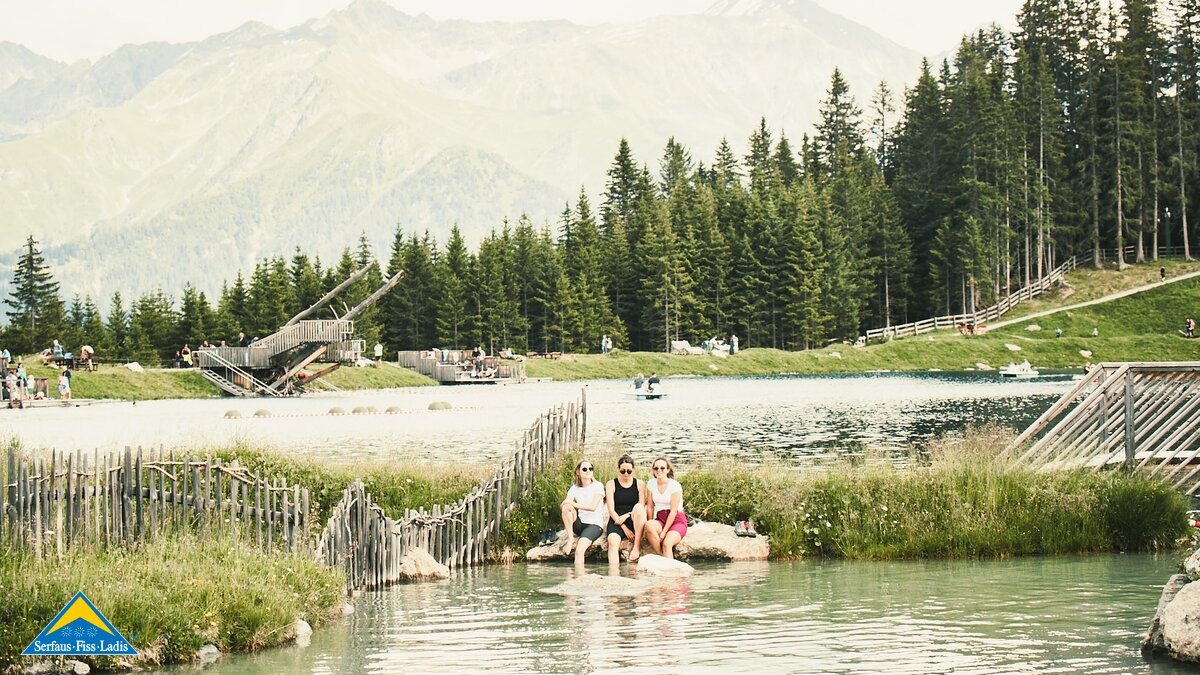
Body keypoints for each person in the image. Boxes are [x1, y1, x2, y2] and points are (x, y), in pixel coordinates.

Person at [561, 459, 606, 566]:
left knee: (579, 551)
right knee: (566, 507)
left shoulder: (597, 486)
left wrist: (574, 504)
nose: (588, 471)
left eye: (590, 469)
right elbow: (564, 504)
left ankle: (579, 579)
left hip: (594, 526)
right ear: (578, 472)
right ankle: (570, 538)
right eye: (584, 469)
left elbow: (593, 507)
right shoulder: (574, 488)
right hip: (580, 524)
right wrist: (567, 504)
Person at [605, 455, 647, 564]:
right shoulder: (611, 484)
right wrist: (625, 528)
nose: (626, 474)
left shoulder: (640, 484)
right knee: (613, 542)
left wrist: (628, 515)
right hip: (617, 519)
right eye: (623, 471)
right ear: (618, 469)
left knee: (638, 508)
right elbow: (611, 510)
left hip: (634, 518)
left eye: (629, 471)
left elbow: (641, 506)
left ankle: (636, 548)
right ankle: (613, 573)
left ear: (633, 470)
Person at [643, 456, 687, 560]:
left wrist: (663, 533)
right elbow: (650, 507)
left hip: (676, 520)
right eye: (656, 468)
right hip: (661, 519)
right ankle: (661, 556)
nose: (659, 470)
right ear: (653, 470)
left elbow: (673, 511)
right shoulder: (651, 483)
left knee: (667, 543)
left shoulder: (675, 485)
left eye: (662, 468)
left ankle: (669, 573)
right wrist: (651, 531)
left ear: (667, 470)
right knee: (649, 525)